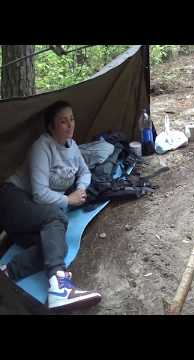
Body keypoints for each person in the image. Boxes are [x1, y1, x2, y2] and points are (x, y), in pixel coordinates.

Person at [0, 100, 102, 311]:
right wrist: (68, 200)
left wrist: (81, 189)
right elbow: (39, 194)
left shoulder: (72, 146)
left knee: (56, 246)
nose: (70, 125)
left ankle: (7, 273)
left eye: (72, 119)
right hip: (14, 201)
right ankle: (60, 286)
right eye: (63, 121)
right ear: (51, 126)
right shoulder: (42, 147)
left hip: (31, 214)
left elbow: (85, 172)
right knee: (56, 218)